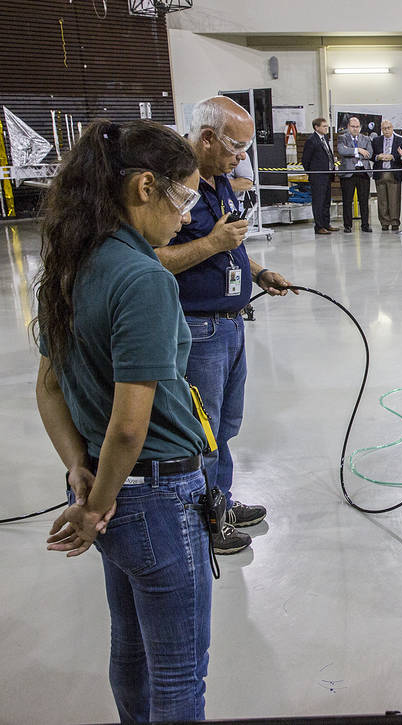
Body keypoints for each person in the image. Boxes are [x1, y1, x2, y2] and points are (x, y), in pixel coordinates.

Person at [35, 119, 212, 720]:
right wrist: (95, 506)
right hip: (153, 496)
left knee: (131, 654)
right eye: (183, 198)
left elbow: (48, 388)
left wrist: (79, 471)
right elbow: (130, 425)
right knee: (180, 674)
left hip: (107, 488)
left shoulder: (69, 262)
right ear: (144, 187)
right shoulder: (143, 278)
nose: (186, 217)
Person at [155, 95, 296, 555]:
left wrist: (257, 272)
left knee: (225, 426)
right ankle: (203, 519)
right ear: (208, 137)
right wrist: (215, 243)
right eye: (236, 147)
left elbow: (228, 243)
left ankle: (221, 500)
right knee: (203, 430)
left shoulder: (218, 182)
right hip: (198, 330)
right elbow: (151, 259)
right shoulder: (173, 187)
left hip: (230, 325)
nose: (241, 158)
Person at [337, 116, 374, 233]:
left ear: (360, 127)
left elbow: (369, 154)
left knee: (364, 201)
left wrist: (352, 151)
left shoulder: (366, 139)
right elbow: (342, 151)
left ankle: (365, 225)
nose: (355, 129)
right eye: (353, 126)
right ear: (348, 127)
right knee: (347, 201)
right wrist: (358, 150)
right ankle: (347, 225)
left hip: (363, 172)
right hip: (348, 173)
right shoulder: (342, 138)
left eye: (357, 127)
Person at [301, 116, 337, 234]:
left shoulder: (324, 138)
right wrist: (312, 174)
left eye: (327, 126)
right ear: (316, 127)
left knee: (326, 201)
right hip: (318, 177)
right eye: (324, 126)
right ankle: (319, 226)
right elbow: (306, 160)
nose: (326, 128)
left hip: (327, 175)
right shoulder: (312, 140)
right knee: (319, 202)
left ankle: (326, 223)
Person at [372, 119, 402, 231]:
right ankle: (384, 222)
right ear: (381, 130)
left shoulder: (401, 140)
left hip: (394, 173)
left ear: (392, 128)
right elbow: (372, 155)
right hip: (380, 173)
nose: (386, 130)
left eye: (388, 128)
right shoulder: (376, 140)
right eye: (384, 128)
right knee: (382, 200)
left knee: (394, 199)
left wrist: (393, 156)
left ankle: (395, 221)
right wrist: (378, 157)